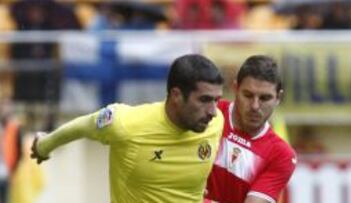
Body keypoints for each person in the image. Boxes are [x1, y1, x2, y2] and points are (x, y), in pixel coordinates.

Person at [30, 54, 225, 203]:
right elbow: (83, 125)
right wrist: (44, 145)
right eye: (204, 100)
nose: (213, 111)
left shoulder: (215, 123)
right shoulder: (125, 123)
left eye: (216, 100)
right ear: (176, 95)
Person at [205, 55, 297, 203]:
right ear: (235, 89)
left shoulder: (281, 155)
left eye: (264, 98)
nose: (255, 106)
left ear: (278, 98)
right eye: (248, 95)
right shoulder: (209, 114)